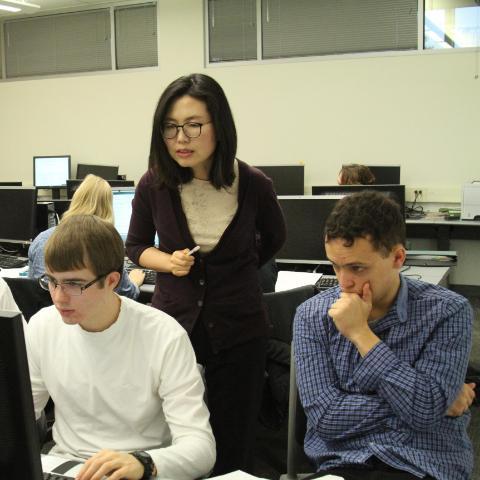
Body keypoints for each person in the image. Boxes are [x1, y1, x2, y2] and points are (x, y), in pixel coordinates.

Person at [126, 73, 286, 475]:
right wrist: (169, 262)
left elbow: (274, 239)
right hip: (174, 327)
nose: (181, 138)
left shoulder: (253, 183)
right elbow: (135, 247)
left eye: (194, 125)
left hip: (239, 330)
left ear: (219, 125)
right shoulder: (154, 184)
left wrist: (234, 267)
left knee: (233, 440)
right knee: (173, 439)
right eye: (171, 127)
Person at [293, 190, 475, 480]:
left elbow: (425, 409)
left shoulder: (448, 311)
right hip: (343, 463)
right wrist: (427, 406)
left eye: (357, 267)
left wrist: (361, 334)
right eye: (335, 266)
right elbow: (327, 418)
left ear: (397, 257)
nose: (344, 281)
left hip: (422, 463)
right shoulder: (312, 315)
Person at [25, 214, 215, 480]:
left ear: (112, 281)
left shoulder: (163, 334)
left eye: (74, 284)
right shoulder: (42, 326)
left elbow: (201, 448)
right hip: (67, 466)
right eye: (52, 281)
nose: (59, 297)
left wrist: (144, 464)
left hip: (139, 468)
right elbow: (17, 417)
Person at [28, 174, 144, 300]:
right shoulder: (104, 243)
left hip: (47, 315)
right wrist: (135, 282)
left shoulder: (42, 239)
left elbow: (33, 290)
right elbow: (127, 294)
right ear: (108, 207)